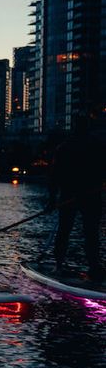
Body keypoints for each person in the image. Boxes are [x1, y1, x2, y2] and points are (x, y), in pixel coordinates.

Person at [49, 114, 103, 282]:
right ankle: (93, 267)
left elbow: (54, 176)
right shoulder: (96, 146)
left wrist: (52, 198)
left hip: (77, 195)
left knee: (67, 230)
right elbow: (55, 174)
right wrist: (52, 198)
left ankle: (60, 265)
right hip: (84, 195)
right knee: (89, 233)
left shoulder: (65, 147)